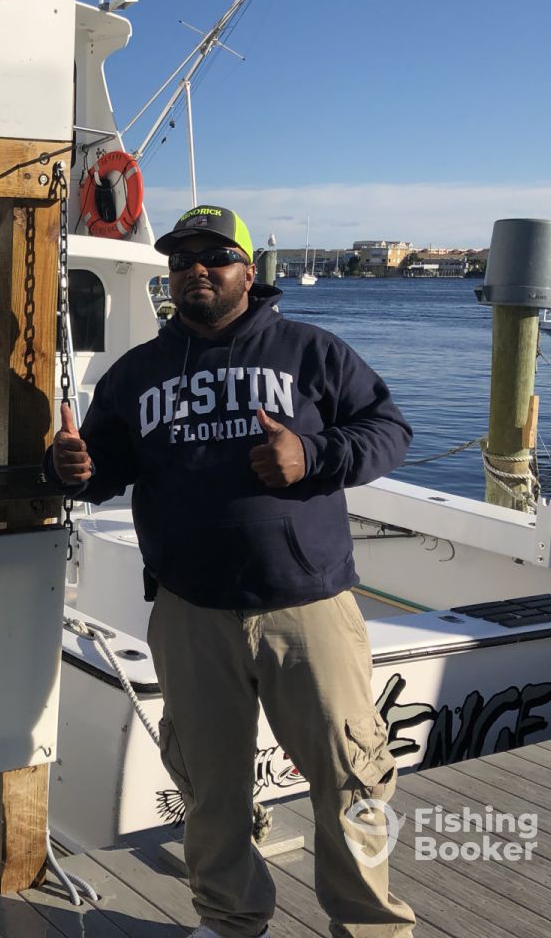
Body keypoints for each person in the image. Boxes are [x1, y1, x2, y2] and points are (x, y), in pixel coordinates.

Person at [48, 205, 415, 938]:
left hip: (306, 607)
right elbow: (101, 469)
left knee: (351, 774)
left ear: (249, 271)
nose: (197, 270)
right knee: (209, 787)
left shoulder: (311, 351)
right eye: (182, 259)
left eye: (215, 256)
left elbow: (389, 431)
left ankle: (371, 927)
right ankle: (229, 921)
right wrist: (70, 467)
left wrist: (311, 455)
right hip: (190, 612)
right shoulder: (137, 372)